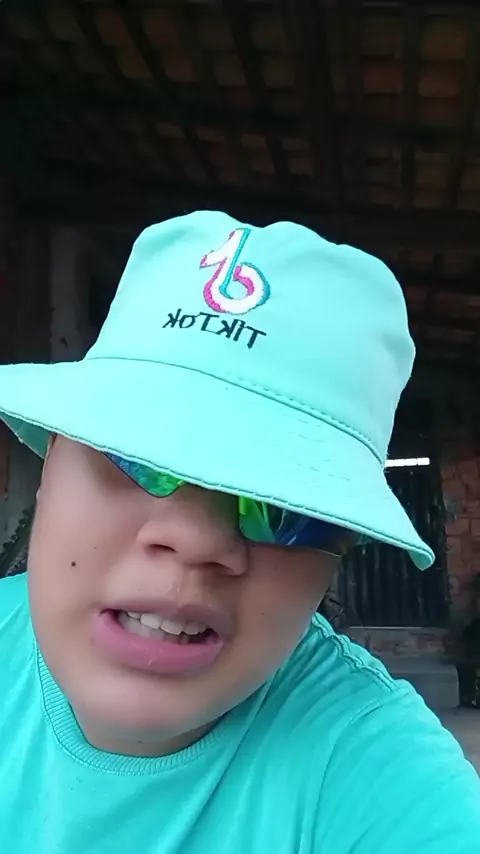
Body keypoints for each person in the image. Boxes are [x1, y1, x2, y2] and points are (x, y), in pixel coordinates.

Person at [0, 211, 478, 853]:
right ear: (49, 461)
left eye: (286, 506)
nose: (198, 539)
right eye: (136, 455)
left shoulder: (382, 781)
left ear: (337, 556)